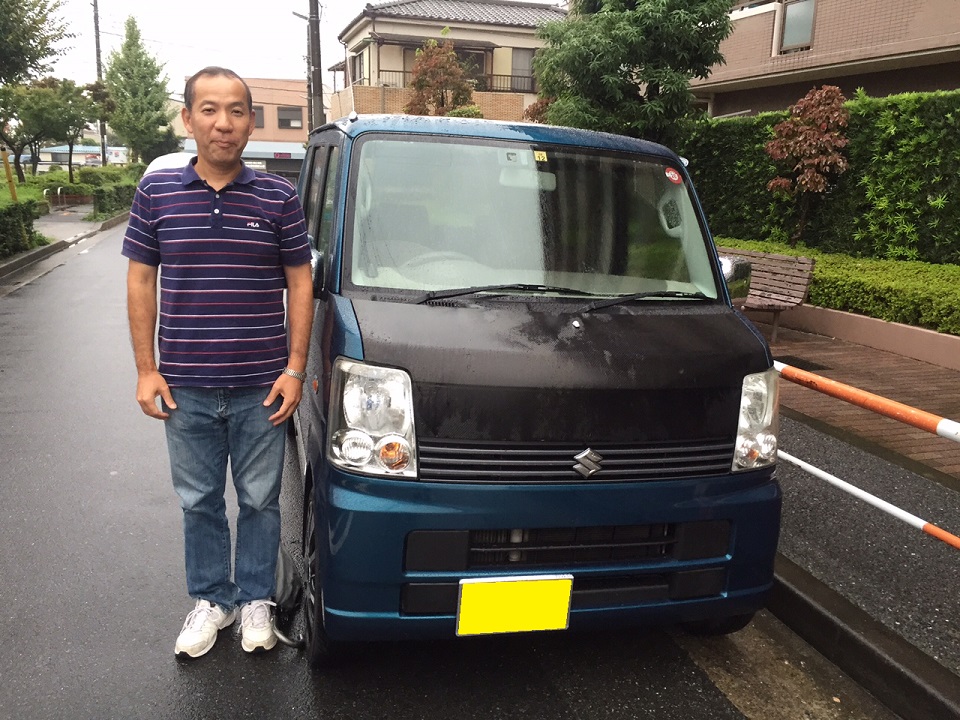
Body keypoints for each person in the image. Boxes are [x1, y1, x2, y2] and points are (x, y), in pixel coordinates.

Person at [122, 67, 313, 659]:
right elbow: (141, 280)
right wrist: (146, 369)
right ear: (188, 119)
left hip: (263, 386)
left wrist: (295, 369)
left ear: (251, 123)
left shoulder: (278, 197)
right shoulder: (157, 193)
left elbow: (300, 281)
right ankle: (212, 599)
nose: (222, 123)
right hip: (186, 387)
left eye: (235, 111)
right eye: (208, 110)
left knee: (259, 500)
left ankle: (255, 597)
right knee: (199, 501)